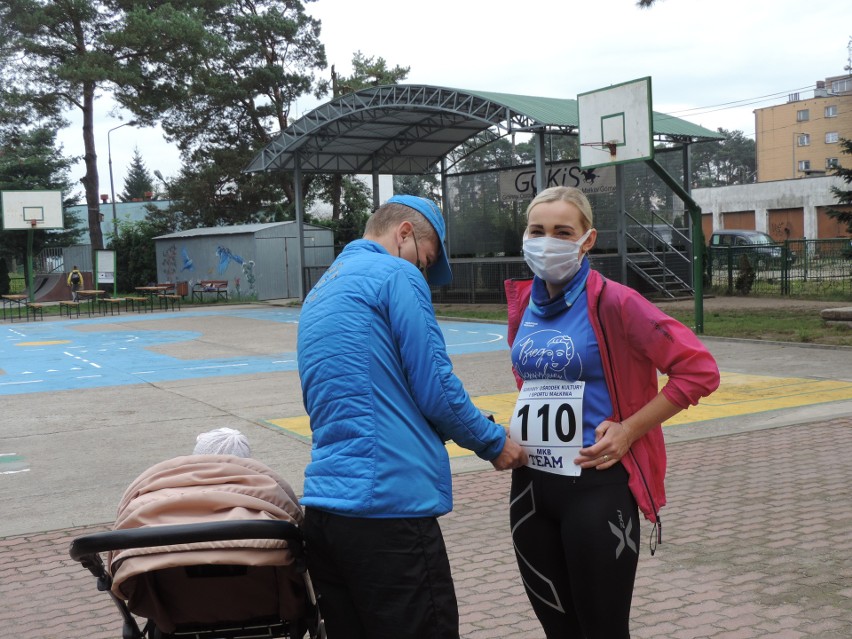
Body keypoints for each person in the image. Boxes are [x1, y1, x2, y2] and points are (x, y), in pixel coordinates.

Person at [297, 194, 528, 639]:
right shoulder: (395, 274)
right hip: (388, 512)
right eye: (426, 261)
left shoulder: (323, 289)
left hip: (326, 513)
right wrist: (493, 441)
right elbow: (436, 387)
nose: (423, 272)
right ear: (403, 234)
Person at [504, 186, 720, 639]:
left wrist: (629, 429)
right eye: (537, 231)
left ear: (588, 240)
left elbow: (698, 370)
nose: (548, 242)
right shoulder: (523, 304)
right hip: (531, 487)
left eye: (563, 232)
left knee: (602, 630)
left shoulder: (616, 302)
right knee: (559, 631)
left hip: (596, 486)